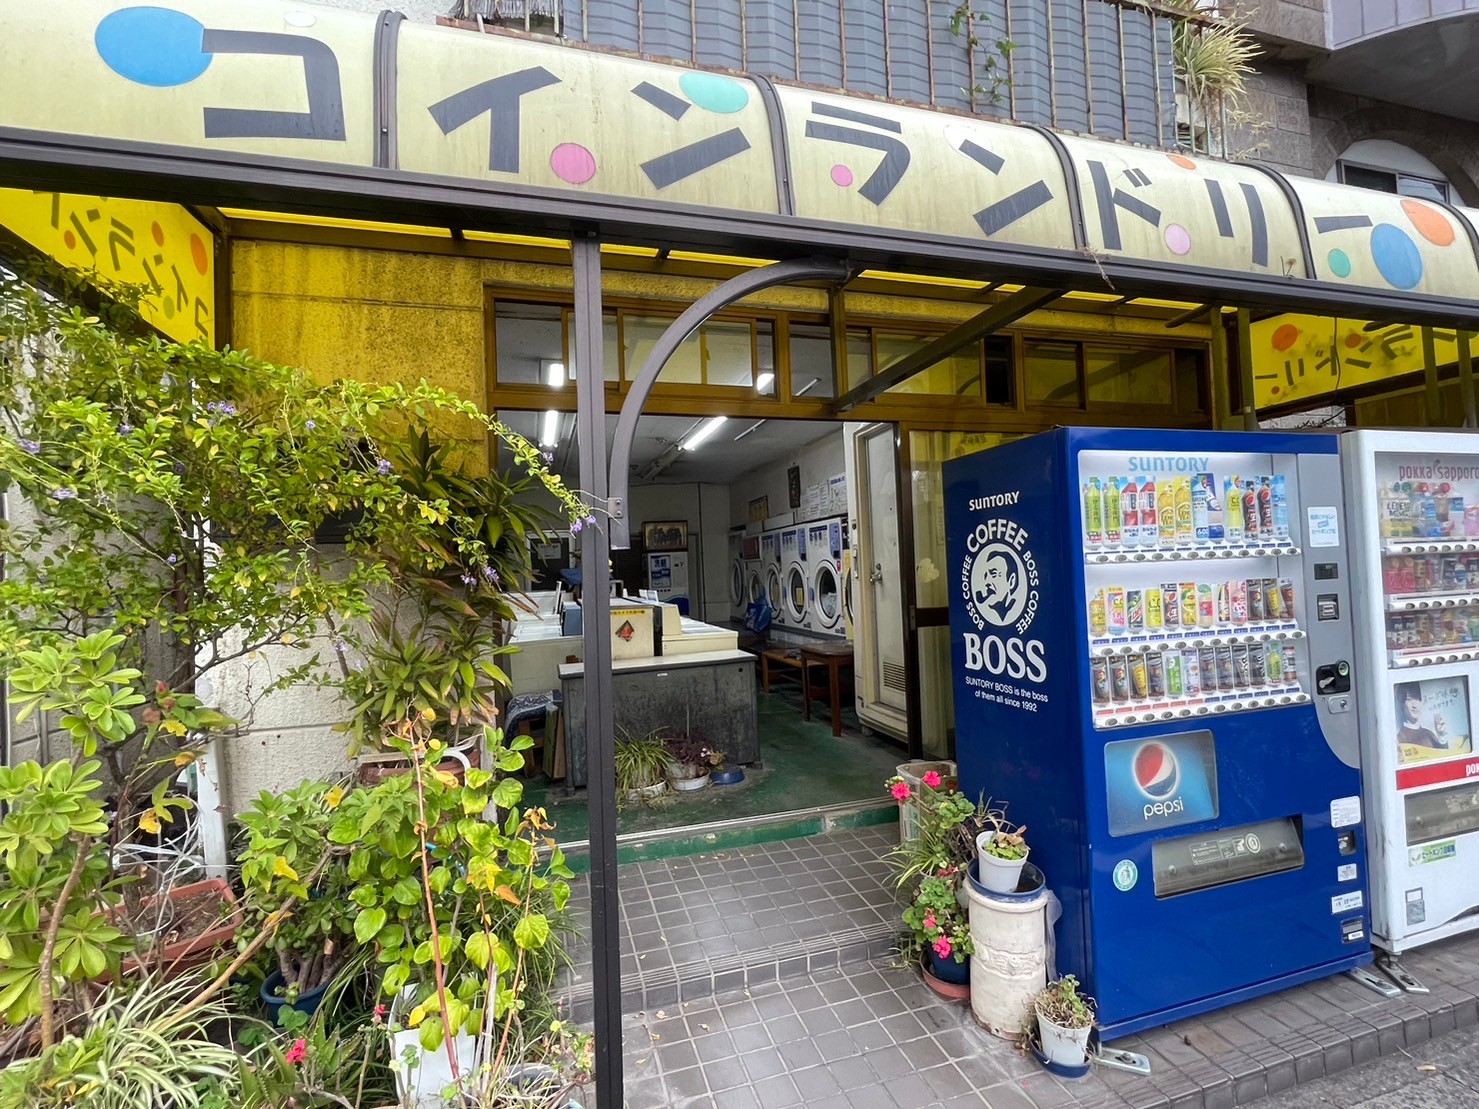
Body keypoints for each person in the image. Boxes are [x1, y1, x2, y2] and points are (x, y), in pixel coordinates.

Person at [1395, 683, 1442, 749]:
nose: (1415, 705)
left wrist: (1441, 736)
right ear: (1401, 703)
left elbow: (1444, 753)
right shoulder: (1399, 738)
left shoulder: (1429, 734)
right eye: (1409, 699)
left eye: (1418, 699)